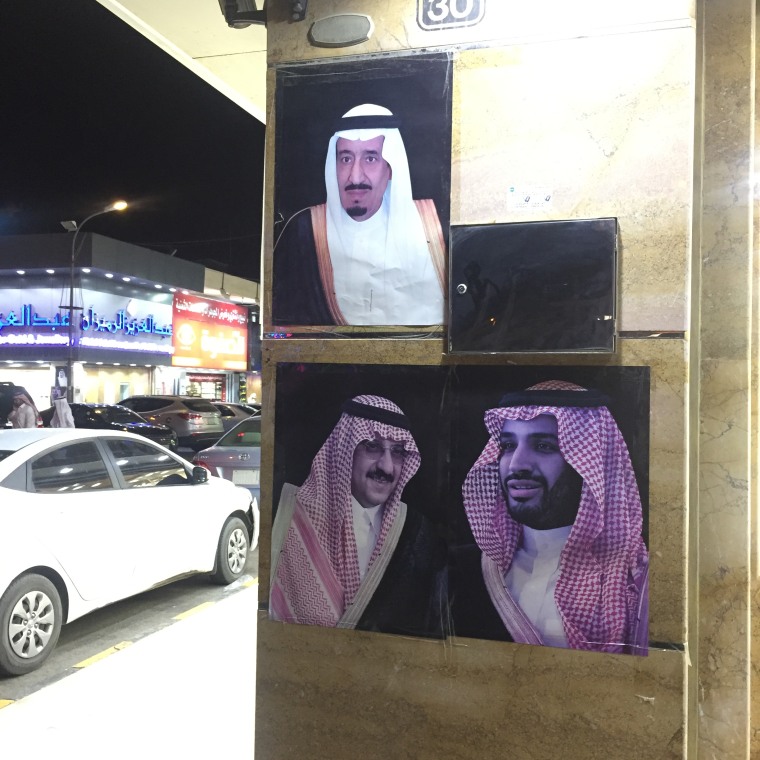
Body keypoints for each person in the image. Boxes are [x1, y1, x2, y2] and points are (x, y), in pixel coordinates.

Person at [452, 380, 649, 655]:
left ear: (589, 463)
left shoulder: (636, 580)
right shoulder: (463, 569)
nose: (516, 464)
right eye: (508, 446)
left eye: (544, 446)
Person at [270, 394, 447, 637]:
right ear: (345, 449)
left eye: (397, 452)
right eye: (372, 447)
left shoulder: (417, 534)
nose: (386, 467)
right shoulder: (287, 515)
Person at [272, 103, 446, 326]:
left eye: (370, 158)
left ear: (391, 167)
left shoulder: (432, 223)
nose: (355, 176)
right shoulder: (304, 231)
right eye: (346, 159)